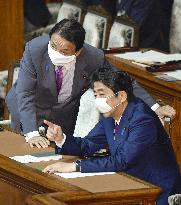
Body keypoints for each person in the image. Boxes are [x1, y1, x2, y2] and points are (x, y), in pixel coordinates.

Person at [6, 19, 175, 149]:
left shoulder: (93, 57)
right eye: (53, 46)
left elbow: (122, 81)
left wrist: (154, 107)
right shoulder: (34, 49)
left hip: (63, 115)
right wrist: (32, 133)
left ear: (78, 51)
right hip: (26, 110)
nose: (56, 53)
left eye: (64, 51)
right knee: (24, 153)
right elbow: (25, 94)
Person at [43, 67, 181, 205]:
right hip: (133, 186)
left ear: (121, 96)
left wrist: (74, 166)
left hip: (158, 191)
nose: (98, 101)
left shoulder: (142, 119)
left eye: (102, 94)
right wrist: (61, 139)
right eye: (95, 95)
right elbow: (88, 145)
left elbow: (122, 160)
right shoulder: (110, 115)